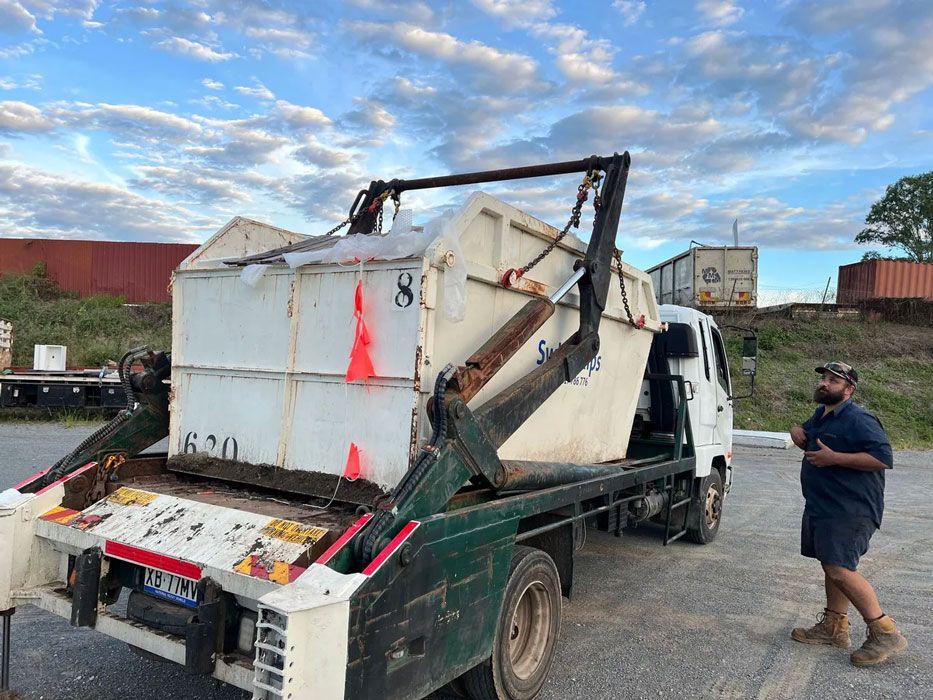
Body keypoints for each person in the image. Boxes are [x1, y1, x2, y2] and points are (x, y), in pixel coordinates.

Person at [789, 361, 907, 666]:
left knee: (841, 569)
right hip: (823, 505)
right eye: (825, 379)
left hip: (849, 508)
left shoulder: (860, 419)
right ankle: (834, 626)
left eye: (834, 381)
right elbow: (804, 432)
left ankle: (885, 632)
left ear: (849, 390)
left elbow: (882, 458)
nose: (825, 383)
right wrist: (797, 431)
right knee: (832, 566)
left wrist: (834, 458)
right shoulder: (821, 414)